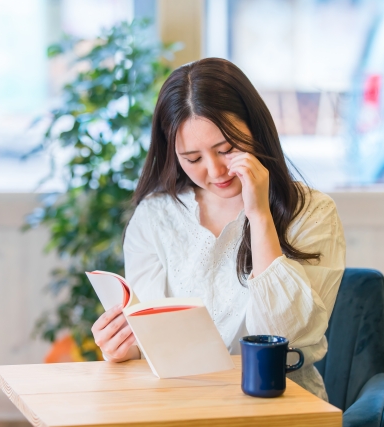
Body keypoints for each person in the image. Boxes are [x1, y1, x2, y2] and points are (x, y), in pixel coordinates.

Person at [91, 57, 345, 400]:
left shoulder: (312, 212)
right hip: (183, 404)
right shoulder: (155, 217)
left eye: (227, 149)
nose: (215, 171)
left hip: (279, 402)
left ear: (256, 129)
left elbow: (282, 337)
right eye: (193, 159)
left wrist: (259, 216)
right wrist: (124, 349)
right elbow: (156, 340)